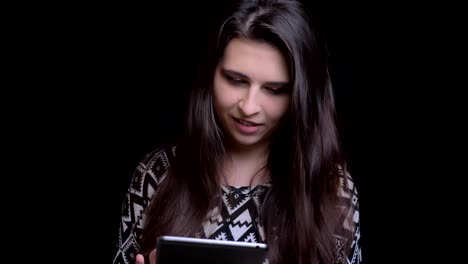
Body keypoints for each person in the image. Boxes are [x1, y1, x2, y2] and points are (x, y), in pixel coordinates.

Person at [113, 0, 361, 263]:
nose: (249, 106)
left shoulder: (331, 190)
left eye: (274, 89)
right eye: (235, 80)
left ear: (301, 96)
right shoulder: (156, 174)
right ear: (211, 74)